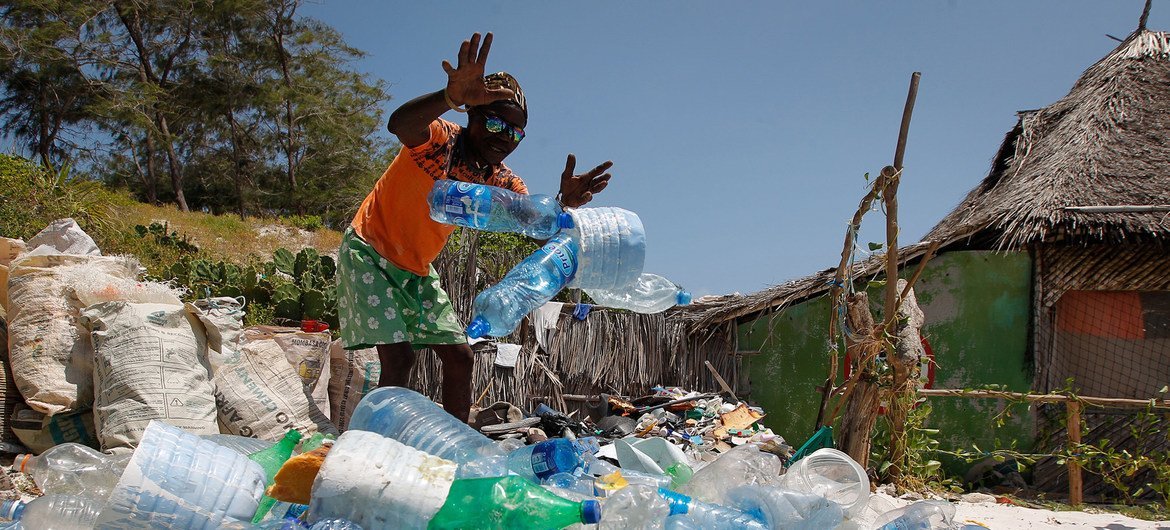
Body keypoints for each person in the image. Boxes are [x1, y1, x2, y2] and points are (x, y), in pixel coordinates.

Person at [337, 32, 612, 422]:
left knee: (460, 356)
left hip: (416, 270)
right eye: (495, 124)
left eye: (515, 132)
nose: (505, 139)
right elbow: (399, 124)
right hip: (370, 252)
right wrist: (448, 99)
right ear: (471, 115)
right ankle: (372, 445)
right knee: (399, 360)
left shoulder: (501, 181)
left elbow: (535, 221)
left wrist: (562, 202)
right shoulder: (439, 140)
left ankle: (456, 446)